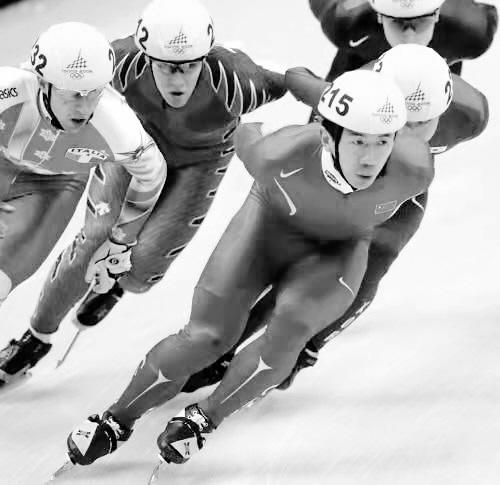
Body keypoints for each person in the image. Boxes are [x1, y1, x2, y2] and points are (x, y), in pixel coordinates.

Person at [65, 69, 435, 466]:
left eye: (382, 142)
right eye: (358, 141)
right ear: (328, 138)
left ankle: (206, 418)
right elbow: (244, 129)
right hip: (266, 230)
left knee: (292, 327)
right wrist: (290, 78)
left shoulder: (415, 170)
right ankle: (116, 419)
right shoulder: (277, 155)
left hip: (336, 252)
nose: (370, 157)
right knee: (208, 337)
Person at [0, 0, 287, 382]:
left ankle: (117, 286)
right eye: (165, 67)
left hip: (198, 164)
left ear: (207, 58)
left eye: (189, 66)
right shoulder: (118, 62)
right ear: (145, 57)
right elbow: (60, 68)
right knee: (94, 241)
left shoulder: (241, 82)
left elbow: (296, 82)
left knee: (142, 269)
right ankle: (35, 338)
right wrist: (113, 239)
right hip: (133, 151)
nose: (178, 81)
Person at [181, 43, 489, 394]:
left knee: (374, 259)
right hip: (342, 170)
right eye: (399, 121)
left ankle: (305, 349)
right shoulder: (353, 95)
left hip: (400, 185)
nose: (407, 135)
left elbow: (300, 79)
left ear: (444, 110)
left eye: (421, 124)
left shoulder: (471, 114)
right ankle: (226, 344)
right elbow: (300, 85)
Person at [0, 22, 167, 385]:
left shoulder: (117, 125)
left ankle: (36, 339)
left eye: (94, 93)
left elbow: (153, 174)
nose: (86, 106)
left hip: (52, 185)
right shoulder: (7, 89)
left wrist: (122, 241)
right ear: (42, 82)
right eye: (74, 94)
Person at [309, 0, 497, 82]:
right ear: (379, 16)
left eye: (421, 22)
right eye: (398, 23)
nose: (409, 39)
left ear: (437, 15)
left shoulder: (471, 30)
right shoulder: (346, 21)